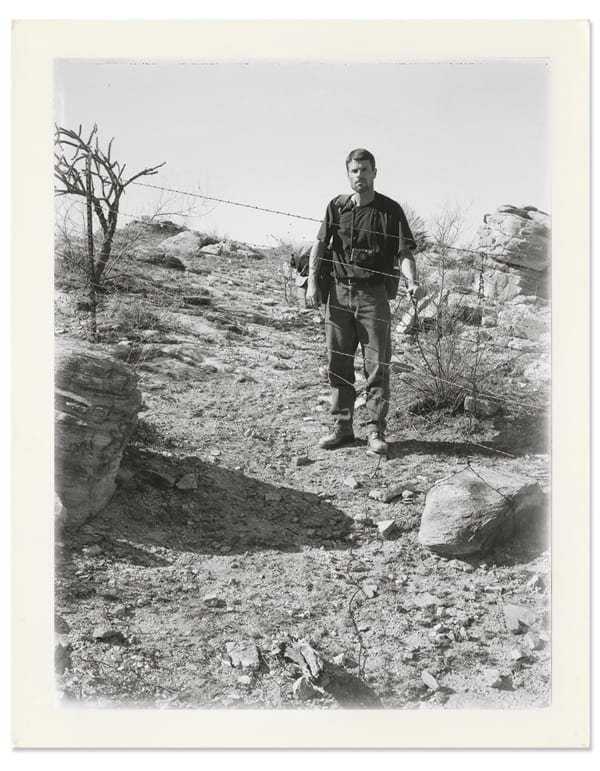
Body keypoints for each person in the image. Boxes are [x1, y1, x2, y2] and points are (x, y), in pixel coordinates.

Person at [306, 148, 420, 456]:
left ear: (374, 172)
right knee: (338, 363)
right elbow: (319, 244)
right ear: (348, 174)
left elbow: (405, 253)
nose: (360, 175)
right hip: (339, 294)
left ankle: (375, 432)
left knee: (377, 366)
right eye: (355, 171)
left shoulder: (390, 210)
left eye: (365, 170)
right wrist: (313, 283)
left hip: (373, 296)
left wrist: (413, 280)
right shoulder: (337, 206)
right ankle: (342, 428)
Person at [290, 241, 312, 306]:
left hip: (307, 254)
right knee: (303, 280)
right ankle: (303, 304)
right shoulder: (299, 255)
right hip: (306, 254)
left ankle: (303, 304)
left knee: (303, 280)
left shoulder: (299, 253)